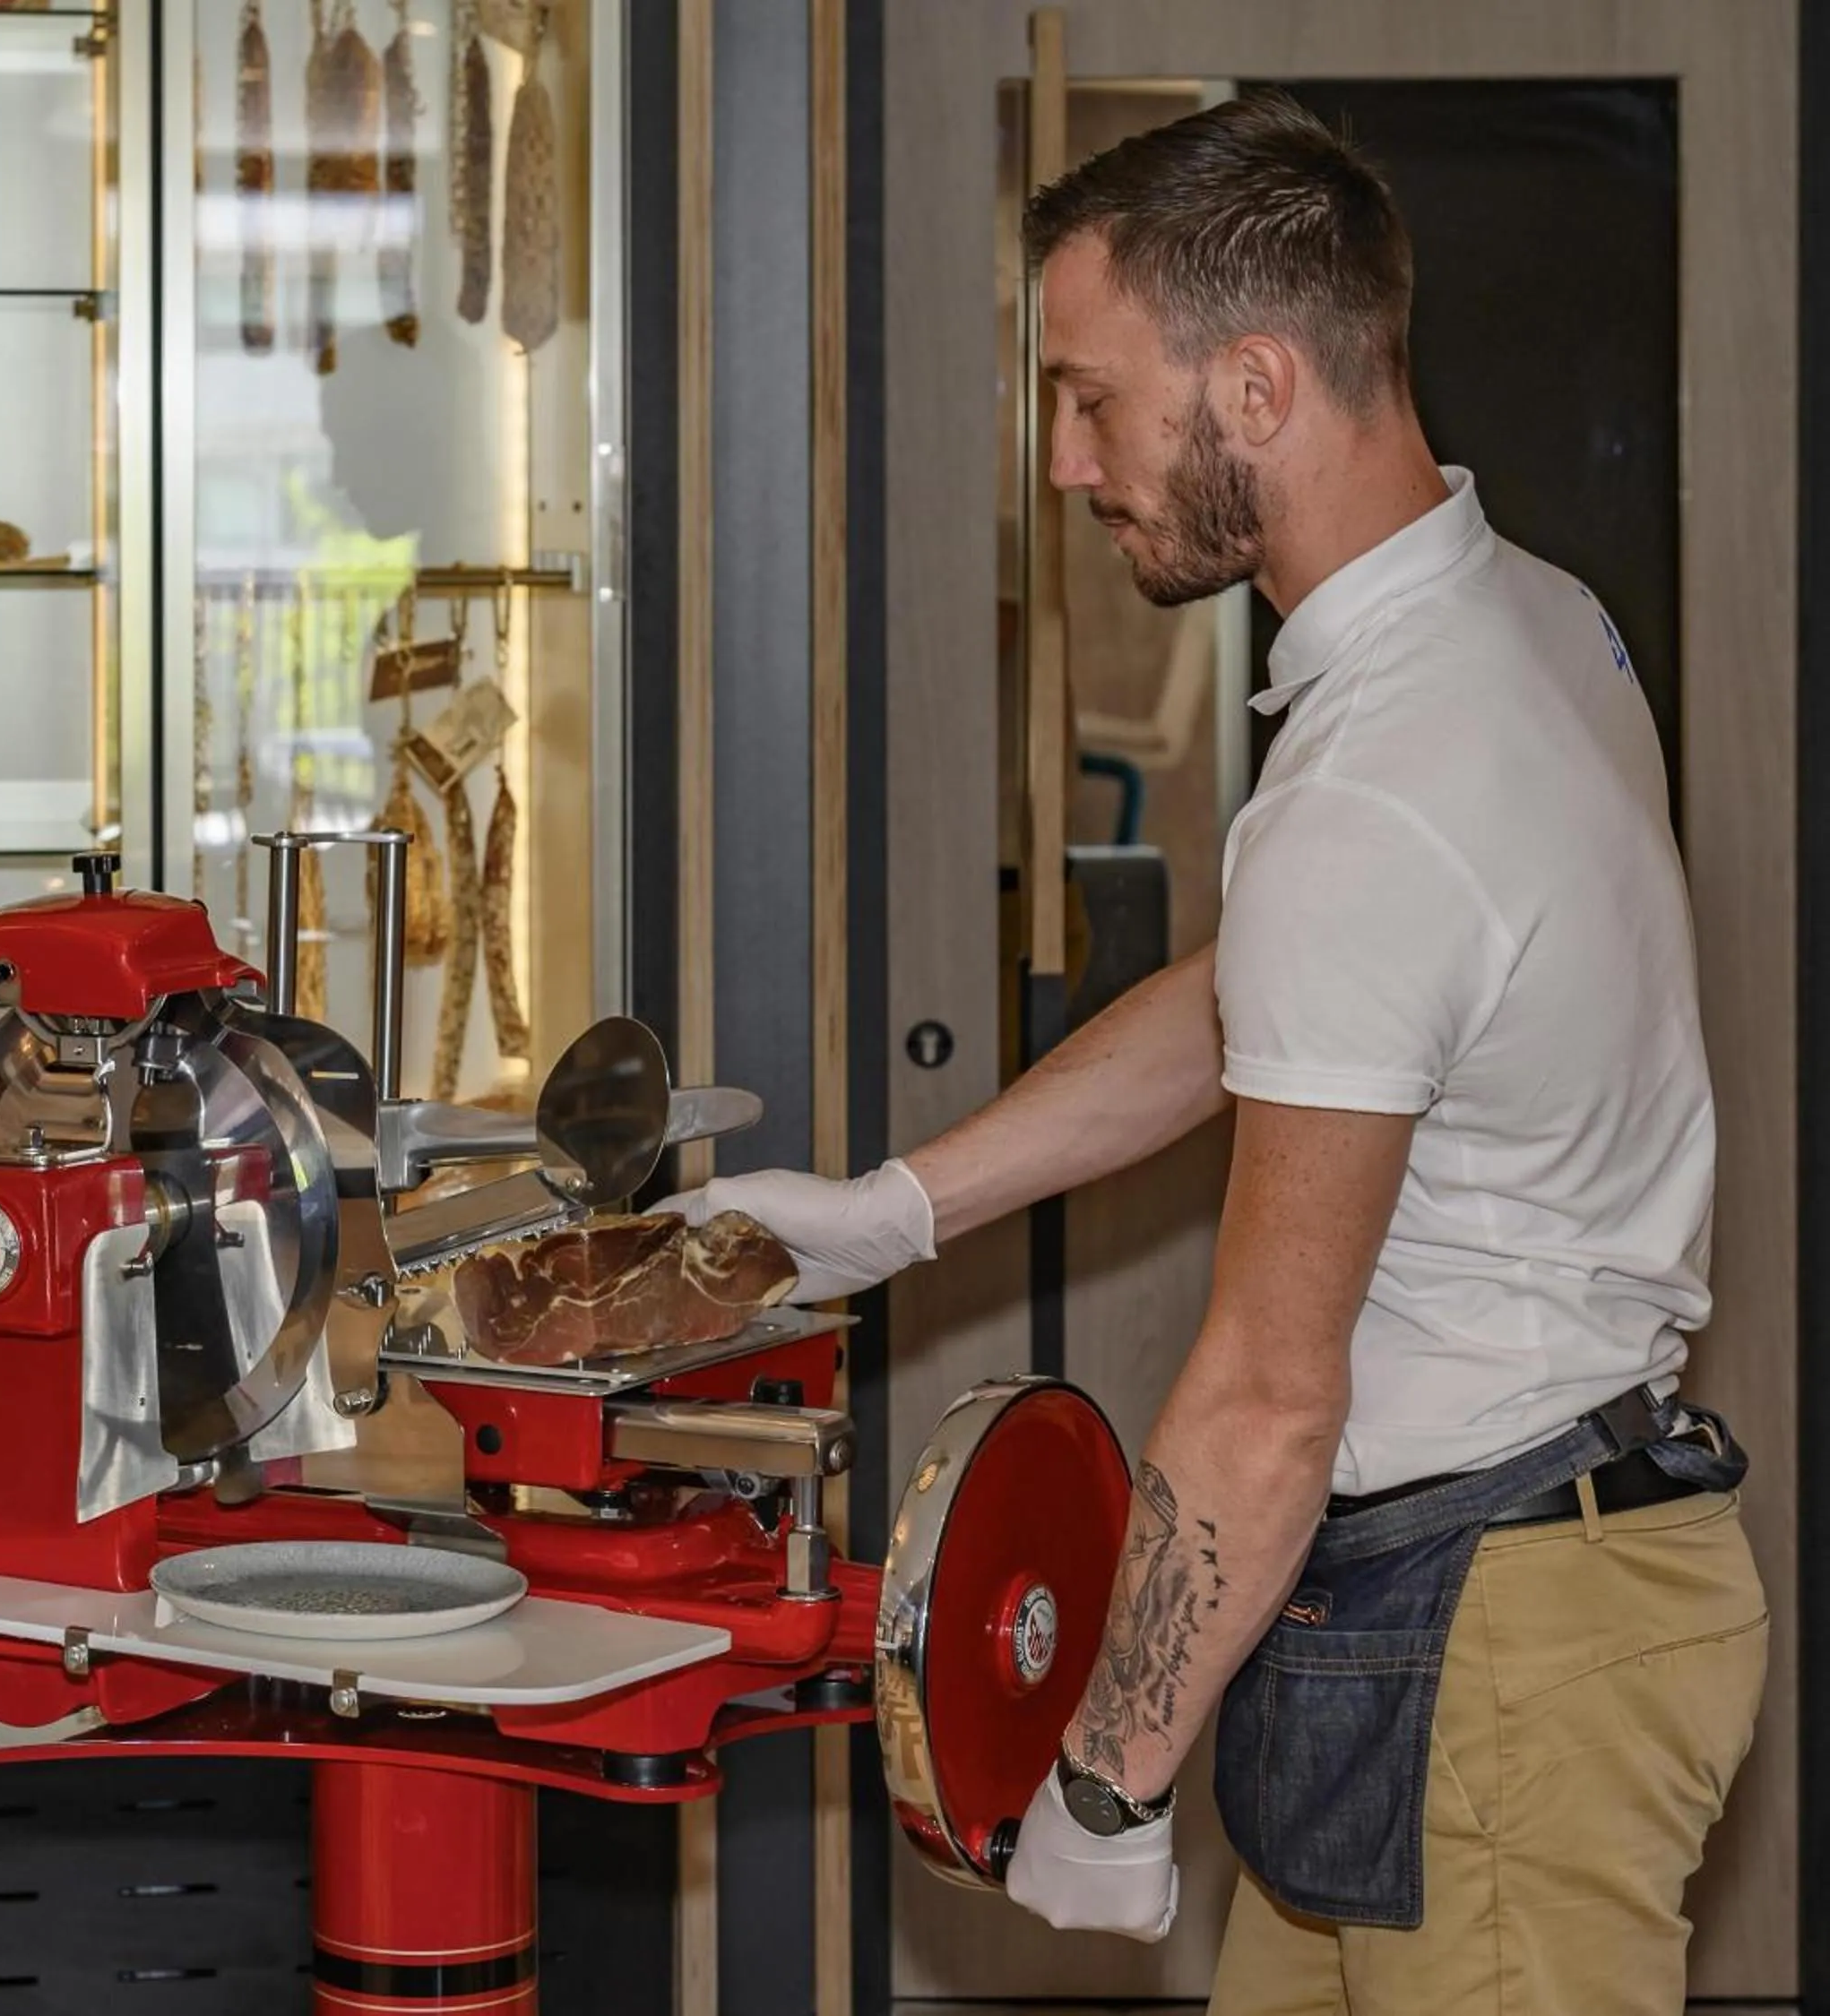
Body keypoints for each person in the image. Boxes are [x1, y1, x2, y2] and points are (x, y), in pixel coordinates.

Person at [667, 91, 1765, 2013]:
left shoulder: (1384, 787)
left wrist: (1110, 1773)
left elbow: (1263, 1393)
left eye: (1094, 399)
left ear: (1256, 385)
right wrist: (900, 1207)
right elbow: (1271, 998)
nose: (1068, 461)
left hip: (1504, 1656)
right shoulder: (1529, 619)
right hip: (1448, 1598)